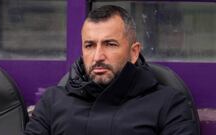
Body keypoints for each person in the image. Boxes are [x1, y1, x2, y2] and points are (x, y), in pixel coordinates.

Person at [24, 5, 199, 135]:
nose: (98, 56)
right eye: (90, 45)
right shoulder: (52, 102)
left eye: (110, 44)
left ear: (134, 52)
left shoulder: (168, 104)